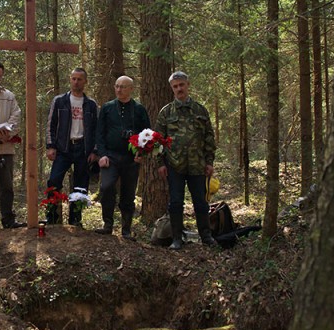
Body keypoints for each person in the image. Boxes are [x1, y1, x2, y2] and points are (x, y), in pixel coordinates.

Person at [156, 71, 217, 250]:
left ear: (187, 85)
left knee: (201, 202)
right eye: (175, 86)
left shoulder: (200, 110)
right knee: (175, 202)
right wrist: (160, 164)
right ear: (171, 89)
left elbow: (209, 138)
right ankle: (177, 238)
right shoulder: (166, 112)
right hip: (174, 165)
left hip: (197, 165)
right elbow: (158, 140)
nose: (179, 89)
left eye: (181, 85)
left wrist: (209, 161)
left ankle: (206, 236)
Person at [94, 76, 151, 241]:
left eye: (123, 87)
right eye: (117, 86)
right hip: (110, 156)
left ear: (131, 89)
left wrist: (141, 153)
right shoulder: (107, 108)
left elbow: (147, 134)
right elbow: (100, 133)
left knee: (128, 193)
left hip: (131, 159)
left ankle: (126, 229)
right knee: (107, 187)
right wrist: (102, 154)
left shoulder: (139, 109)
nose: (119, 90)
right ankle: (107, 225)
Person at [45, 68, 98, 226]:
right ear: (70, 79)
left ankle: (76, 219)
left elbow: (97, 129)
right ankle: (52, 218)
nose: (76, 82)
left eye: (79, 79)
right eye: (73, 78)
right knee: (54, 181)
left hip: (83, 148)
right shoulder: (59, 101)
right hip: (63, 147)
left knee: (80, 185)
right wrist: (50, 146)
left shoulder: (91, 104)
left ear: (85, 81)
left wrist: (95, 150)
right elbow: (51, 124)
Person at [0, 61, 26, 229]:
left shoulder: (8, 96)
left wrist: (6, 134)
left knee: (7, 184)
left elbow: (16, 116)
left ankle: (8, 219)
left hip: (5, 146)